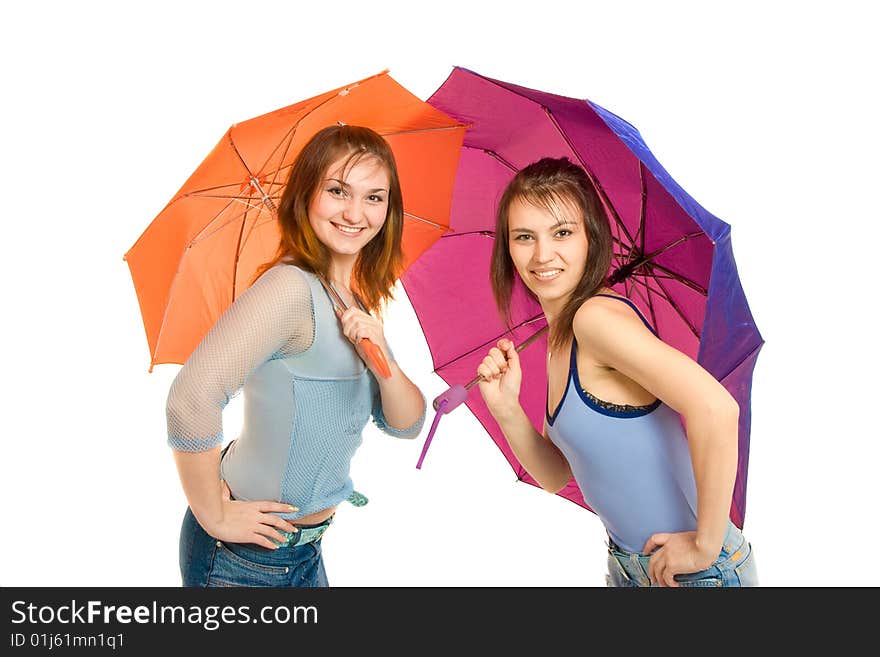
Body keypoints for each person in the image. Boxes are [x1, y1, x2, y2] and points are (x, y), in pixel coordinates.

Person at [476, 157, 757, 587]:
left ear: (592, 237)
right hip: (629, 566)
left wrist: (705, 544)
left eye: (562, 233)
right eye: (524, 237)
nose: (542, 254)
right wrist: (506, 408)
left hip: (696, 573)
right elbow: (556, 476)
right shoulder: (561, 337)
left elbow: (716, 409)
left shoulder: (595, 320)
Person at [166, 125, 427, 587]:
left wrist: (382, 359)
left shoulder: (354, 302)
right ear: (306, 194)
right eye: (337, 190)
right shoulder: (290, 289)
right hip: (242, 559)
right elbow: (190, 399)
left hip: (304, 553)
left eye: (374, 197)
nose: (355, 212)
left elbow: (406, 425)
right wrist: (215, 515)